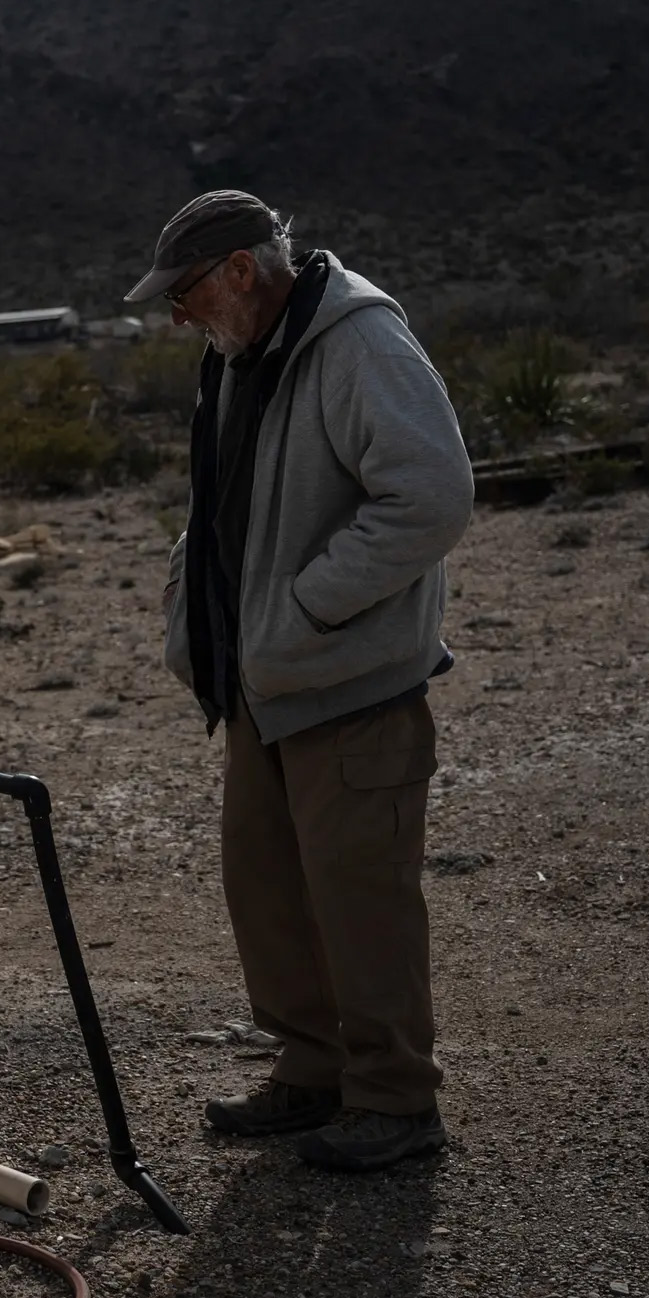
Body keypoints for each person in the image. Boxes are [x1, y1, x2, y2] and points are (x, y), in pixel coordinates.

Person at [135, 189, 474, 1173]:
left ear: (243, 269)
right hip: (265, 682)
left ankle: (395, 1097)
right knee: (270, 889)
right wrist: (193, 616)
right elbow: (220, 505)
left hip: (347, 679)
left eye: (188, 290)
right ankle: (314, 1067)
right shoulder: (244, 355)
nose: (177, 314)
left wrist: (310, 607)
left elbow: (431, 495)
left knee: (360, 898)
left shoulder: (357, 341)